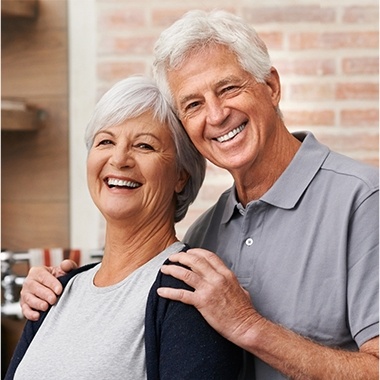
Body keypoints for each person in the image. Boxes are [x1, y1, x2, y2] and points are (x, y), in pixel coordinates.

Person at [20, 9, 379, 379]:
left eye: (228, 88)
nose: (217, 114)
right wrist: (53, 297)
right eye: (193, 104)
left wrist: (248, 325)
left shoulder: (364, 200)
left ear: (271, 87)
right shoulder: (205, 235)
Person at [5, 75, 243, 380]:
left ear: (180, 175)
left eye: (144, 146)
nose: (119, 159)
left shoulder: (188, 293)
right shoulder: (55, 291)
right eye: (105, 141)